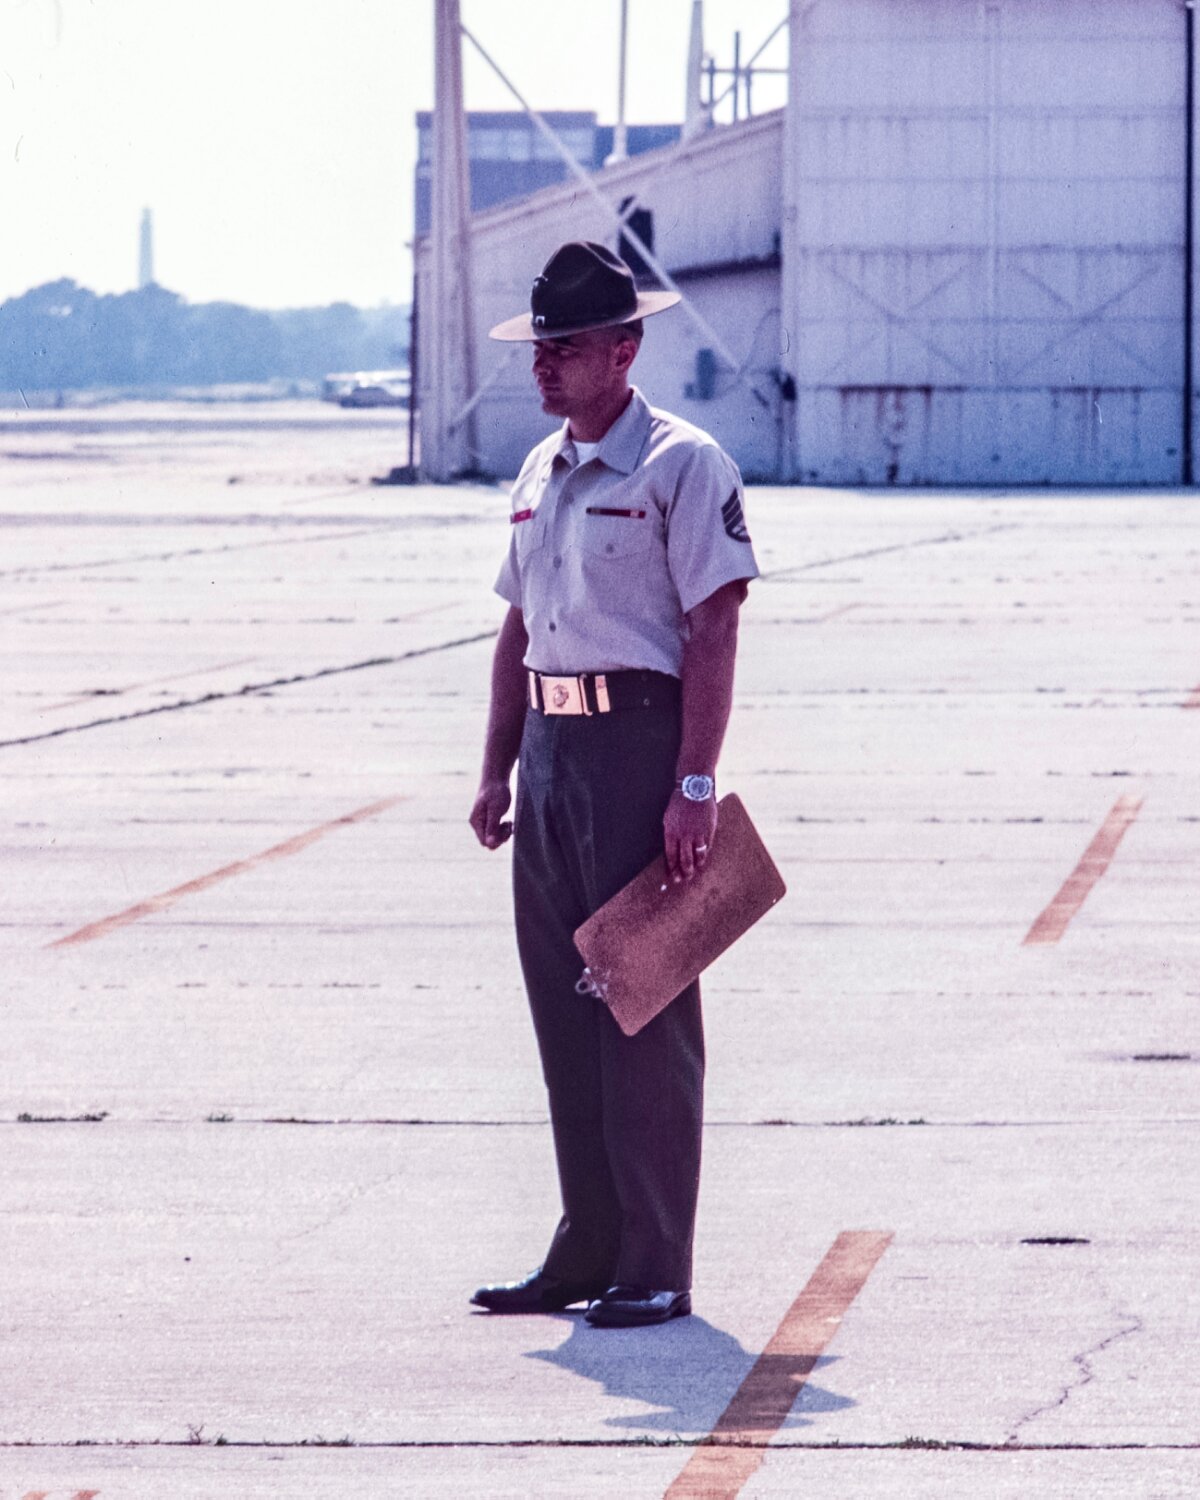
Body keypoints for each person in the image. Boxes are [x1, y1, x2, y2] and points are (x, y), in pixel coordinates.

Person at [467, 241, 759, 1329]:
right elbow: (517, 630)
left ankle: (655, 1261)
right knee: (564, 1013)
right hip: (551, 755)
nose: (545, 365)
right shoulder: (538, 471)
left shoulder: (684, 465)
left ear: (625, 351)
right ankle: (586, 1245)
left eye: (568, 347)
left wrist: (695, 783)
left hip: (640, 751)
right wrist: (496, 767)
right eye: (540, 348)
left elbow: (714, 626)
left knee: (644, 1006)